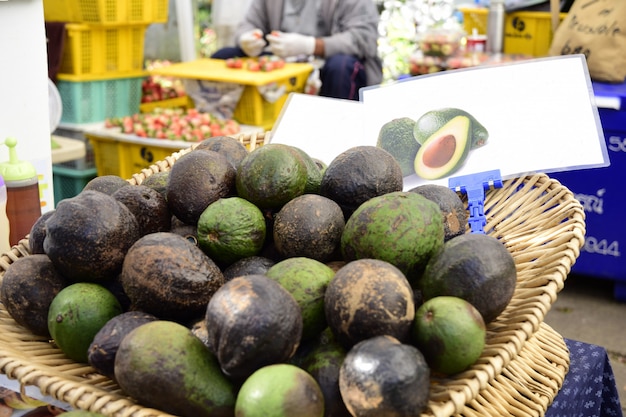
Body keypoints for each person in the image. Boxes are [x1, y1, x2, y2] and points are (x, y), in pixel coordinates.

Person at [211, 0, 383, 101]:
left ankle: (339, 136)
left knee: (342, 66)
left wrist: (312, 45)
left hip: (327, 67)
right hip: (283, 62)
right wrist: (246, 38)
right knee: (223, 57)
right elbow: (249, 23)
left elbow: (364, 37)